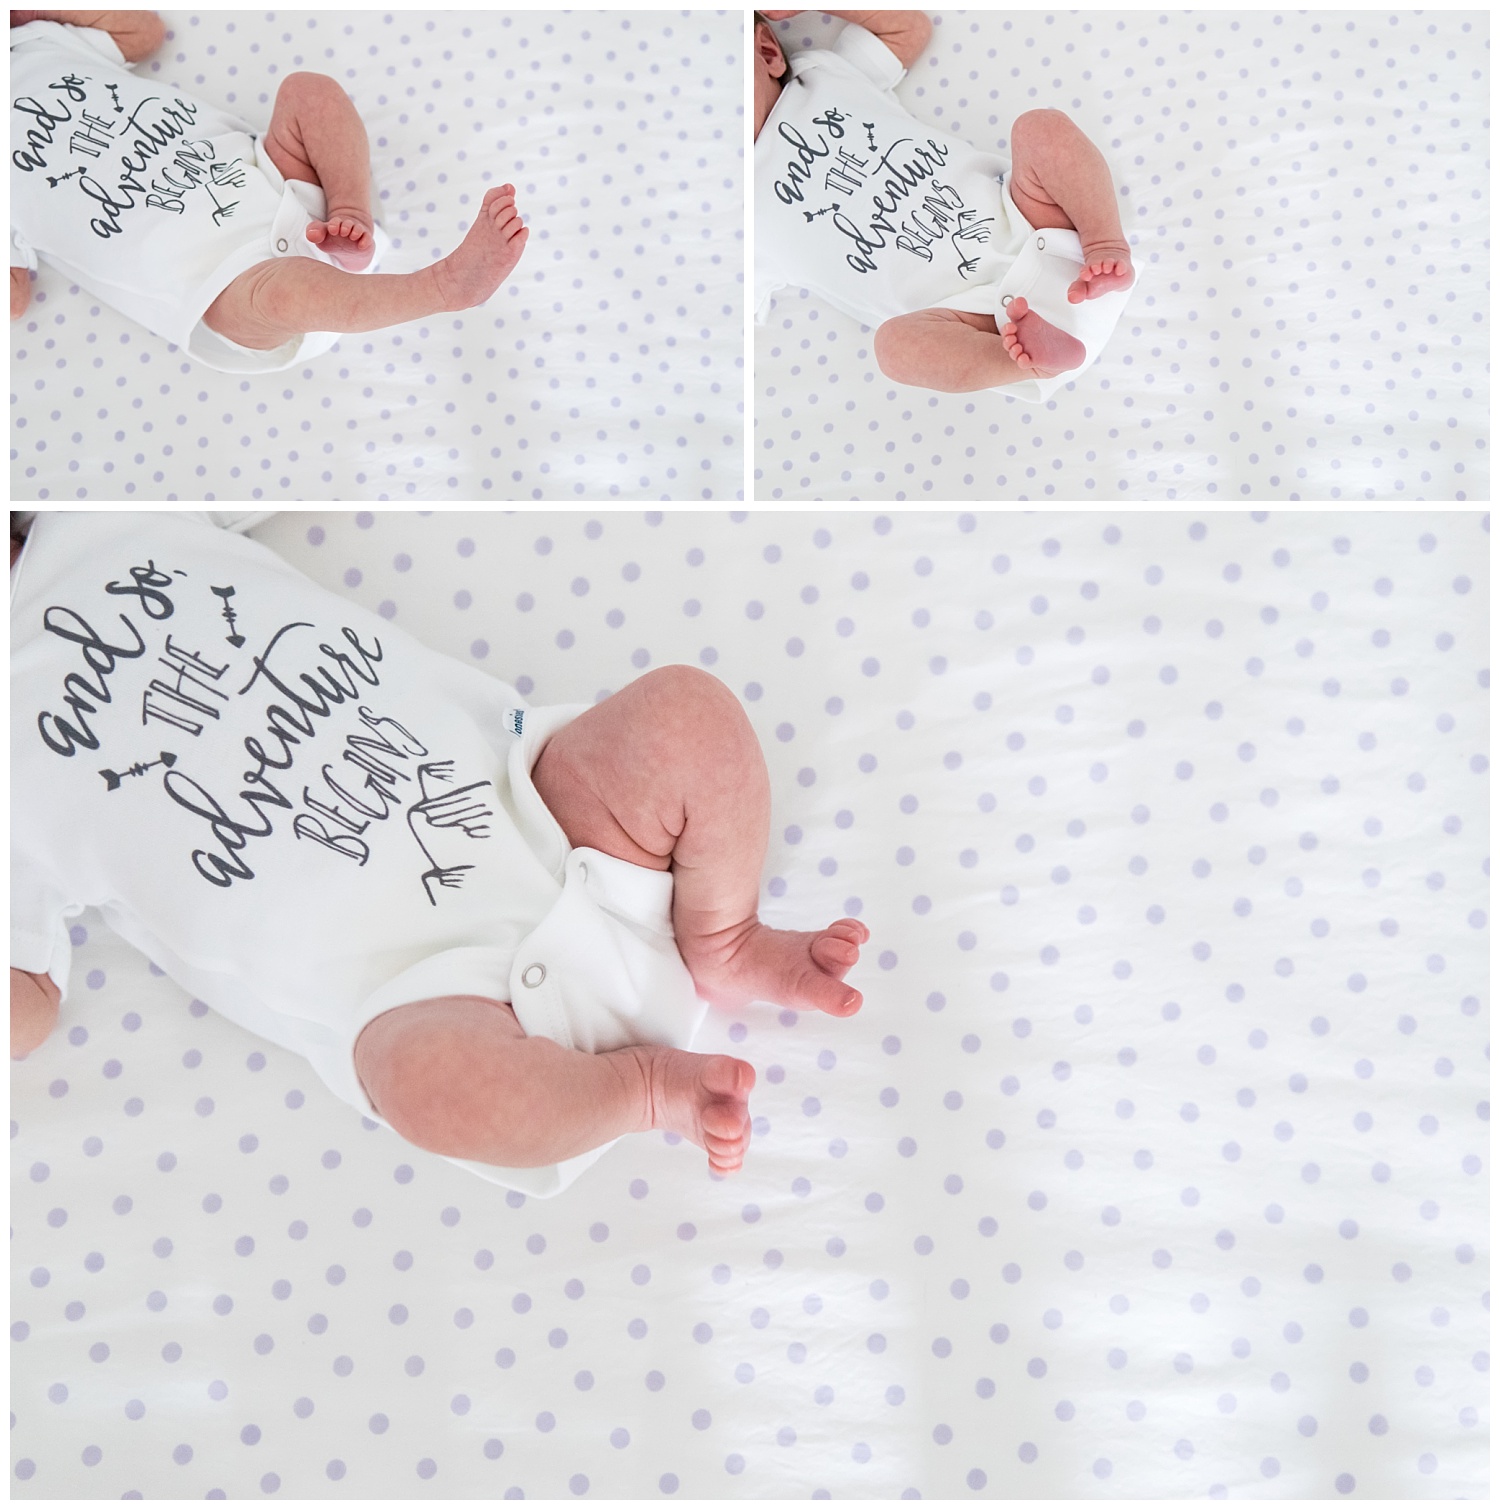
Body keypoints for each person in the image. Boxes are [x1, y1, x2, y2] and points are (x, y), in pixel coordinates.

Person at [10, 513, 867, 1195]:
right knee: (423, 1086)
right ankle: (641, 1088)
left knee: (686, 715)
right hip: (434, 995)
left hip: (557, 828)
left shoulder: (107, 514)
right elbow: (27, 1008)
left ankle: (723, 936)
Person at [9, 11, 527, 372]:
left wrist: (35, 14)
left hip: (271, 179)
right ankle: (441, 287)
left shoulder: (33, 45)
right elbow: (13, 298)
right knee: (281, 293)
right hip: (219, 282)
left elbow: (143, 32)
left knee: (308, 92)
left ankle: (352, 213)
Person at [754, 9, 1135, 399]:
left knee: (1040, 129)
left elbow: (907, 26)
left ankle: (1105, 245)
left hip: (1033, 221)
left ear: (767, 52)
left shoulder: (822, 75)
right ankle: (1024, 361)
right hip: (975, 320)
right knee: (894, 349)